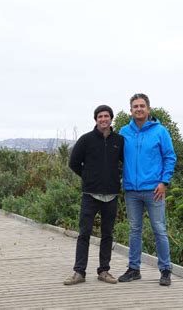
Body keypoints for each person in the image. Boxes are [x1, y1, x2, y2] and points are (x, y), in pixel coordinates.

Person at [118, 93, 177, 286]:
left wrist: (164, 182)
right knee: (134, 230)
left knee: (159, 229)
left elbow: (170, 157)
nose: (139, 109)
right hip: (131, 191)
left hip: (154, 190)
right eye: (135, 106)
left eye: (142, 106)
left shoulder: (160, 131)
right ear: (131, 110)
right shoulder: (124, 132)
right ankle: (134, 269)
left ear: (148, 109)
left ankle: (165, 269)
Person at [64, 105, 124, 285]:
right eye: (100, 116)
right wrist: (88, 177)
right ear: (96, 119)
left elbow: (126, 162)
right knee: (84, 234)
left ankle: (104, 271)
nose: (103, 119)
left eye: (106, 116)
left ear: (111, 119)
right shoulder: (86, 140)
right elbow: (74, 162)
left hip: (111, 195)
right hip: (90, 195)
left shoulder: (119, 140)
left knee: (108, 234)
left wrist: (117, 177)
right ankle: (79, 272)